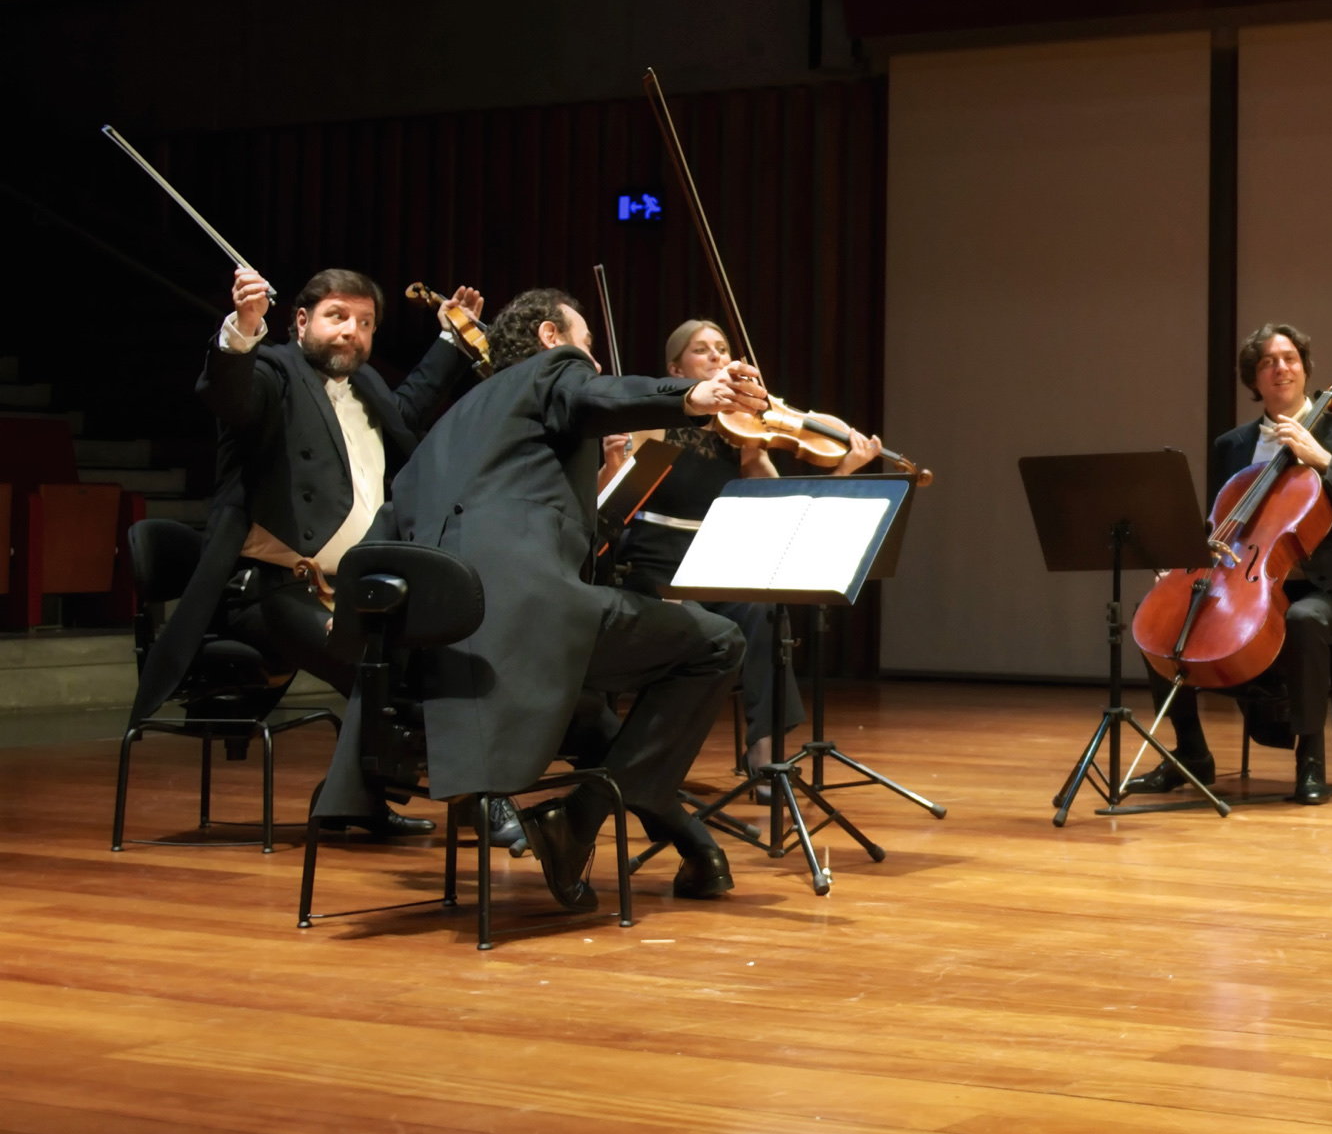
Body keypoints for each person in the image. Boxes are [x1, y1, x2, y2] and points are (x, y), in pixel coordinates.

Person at [313, 289, 766, 906]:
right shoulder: (554, 370)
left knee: (597, 720)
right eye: (588, 346)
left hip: (438, 656)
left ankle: (691, 846)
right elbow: (596, 391)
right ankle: (577, 821)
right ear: (552, 338)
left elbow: (391, 535)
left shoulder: (452, 427)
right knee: (717, 642)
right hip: (522, 626)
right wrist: (694, 396)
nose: (595, 364)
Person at [133, 265, 485, 836]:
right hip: (270, 590)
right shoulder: (274, 372)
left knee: (431, 659)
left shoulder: (367, 387)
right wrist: (244, 328)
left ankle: (356, 799)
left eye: (365, 323)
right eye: (337, 317)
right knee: (376, 664)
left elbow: (411, 407)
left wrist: (451, 338)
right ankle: (416, 799)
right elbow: (231, 396)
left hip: (348, 591)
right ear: (301, 321)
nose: (352, 332)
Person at [1131, 322, 1332, 806]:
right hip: (1241, 584)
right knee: (1162, 617)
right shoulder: (1232, 445)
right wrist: (1183, 563)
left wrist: (1323, 461)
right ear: (1254, 379)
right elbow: (1218, 523)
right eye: (1268, 362)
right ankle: (1192, 753)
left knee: (1302, 617)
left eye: (1290, 358)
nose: (1281, 368)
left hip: (1320, 591)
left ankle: (1310, 764)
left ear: (1305, 368)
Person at [610, 319, 881, 778]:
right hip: (656, 571)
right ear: (675, 368)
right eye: (701, 349)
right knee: (695, 627)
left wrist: (845, 469)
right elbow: (617, 498)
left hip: (713, 570)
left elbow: (783, 507)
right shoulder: (654, 421)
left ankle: (764, 755)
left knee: (764, 610)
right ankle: (650, 763)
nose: (716, 355)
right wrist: (620, 455)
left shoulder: (740, 433)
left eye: (721, 347)